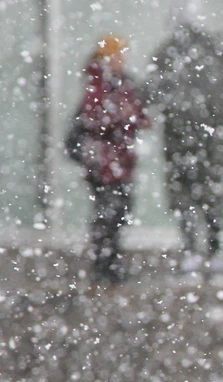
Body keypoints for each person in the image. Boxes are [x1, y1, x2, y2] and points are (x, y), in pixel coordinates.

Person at [142, 2, 223, 273]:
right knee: (210, 199)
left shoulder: (168, 53)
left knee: (186, 198)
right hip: (210, 141)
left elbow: (151, 93)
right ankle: (213, 252)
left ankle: (193, 251)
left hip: (181, 141)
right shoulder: (215, 50)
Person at [66, 34, 150, 284]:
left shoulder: (120, 82)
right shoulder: (99, 82)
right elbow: (94, 118)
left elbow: (136, 114)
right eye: (117, 54)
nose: (122, 59)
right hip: (105, 163)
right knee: (108, 214)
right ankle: (104, 267)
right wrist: (123, 116)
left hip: (118, 161)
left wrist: (134, 117)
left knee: (117, 213)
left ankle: (109, 265)